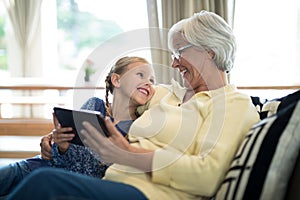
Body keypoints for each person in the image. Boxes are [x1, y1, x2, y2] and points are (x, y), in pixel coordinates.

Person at [6, 10, 260, 200]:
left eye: (179, 52)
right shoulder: (164, 94)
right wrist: (60, 138)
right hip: (114, 181)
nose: (173, 64)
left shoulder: (233, 105)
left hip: (151, 194)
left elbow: (207, 176)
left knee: (45, 183)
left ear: (209, 52)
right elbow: (114, 112)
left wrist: (131, 155)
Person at [0, 56, 155, 198]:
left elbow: (94, 174)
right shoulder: (94, 105)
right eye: (140, 75)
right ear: (116, 80)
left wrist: (64, 151)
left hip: (60, 185)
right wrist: (61, 147)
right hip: (33, 168)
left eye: (152, 80)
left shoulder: (137, 128)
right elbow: (62, 157)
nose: (148, 82)